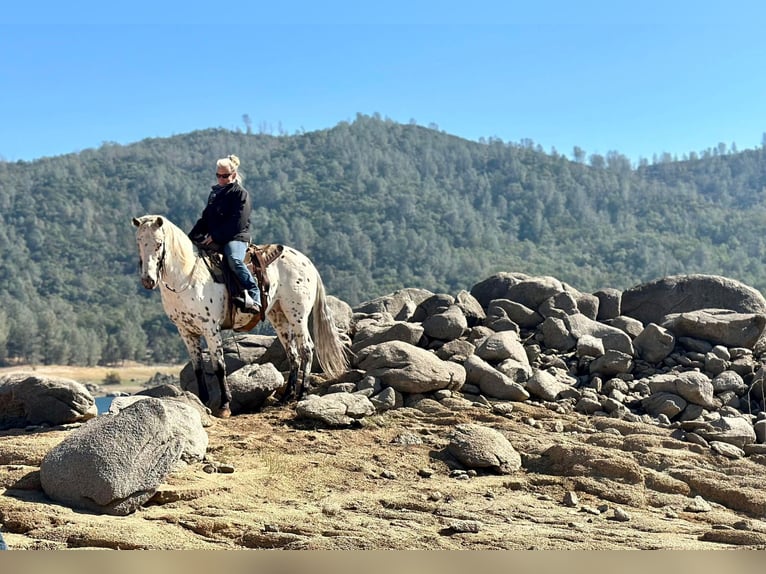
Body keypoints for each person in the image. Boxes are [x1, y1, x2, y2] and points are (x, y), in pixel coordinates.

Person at [189, 154, 261, 312]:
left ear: (234, 175)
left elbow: (238, 223)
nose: (221, 179)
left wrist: (215, 236)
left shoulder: (240, 194)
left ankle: (255, 296)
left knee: (234, 259)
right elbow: (206, 218)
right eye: (218, 176)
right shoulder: (214, 195)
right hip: (217, 235)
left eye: (225, 176)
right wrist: (191, 237)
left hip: (236, 236)